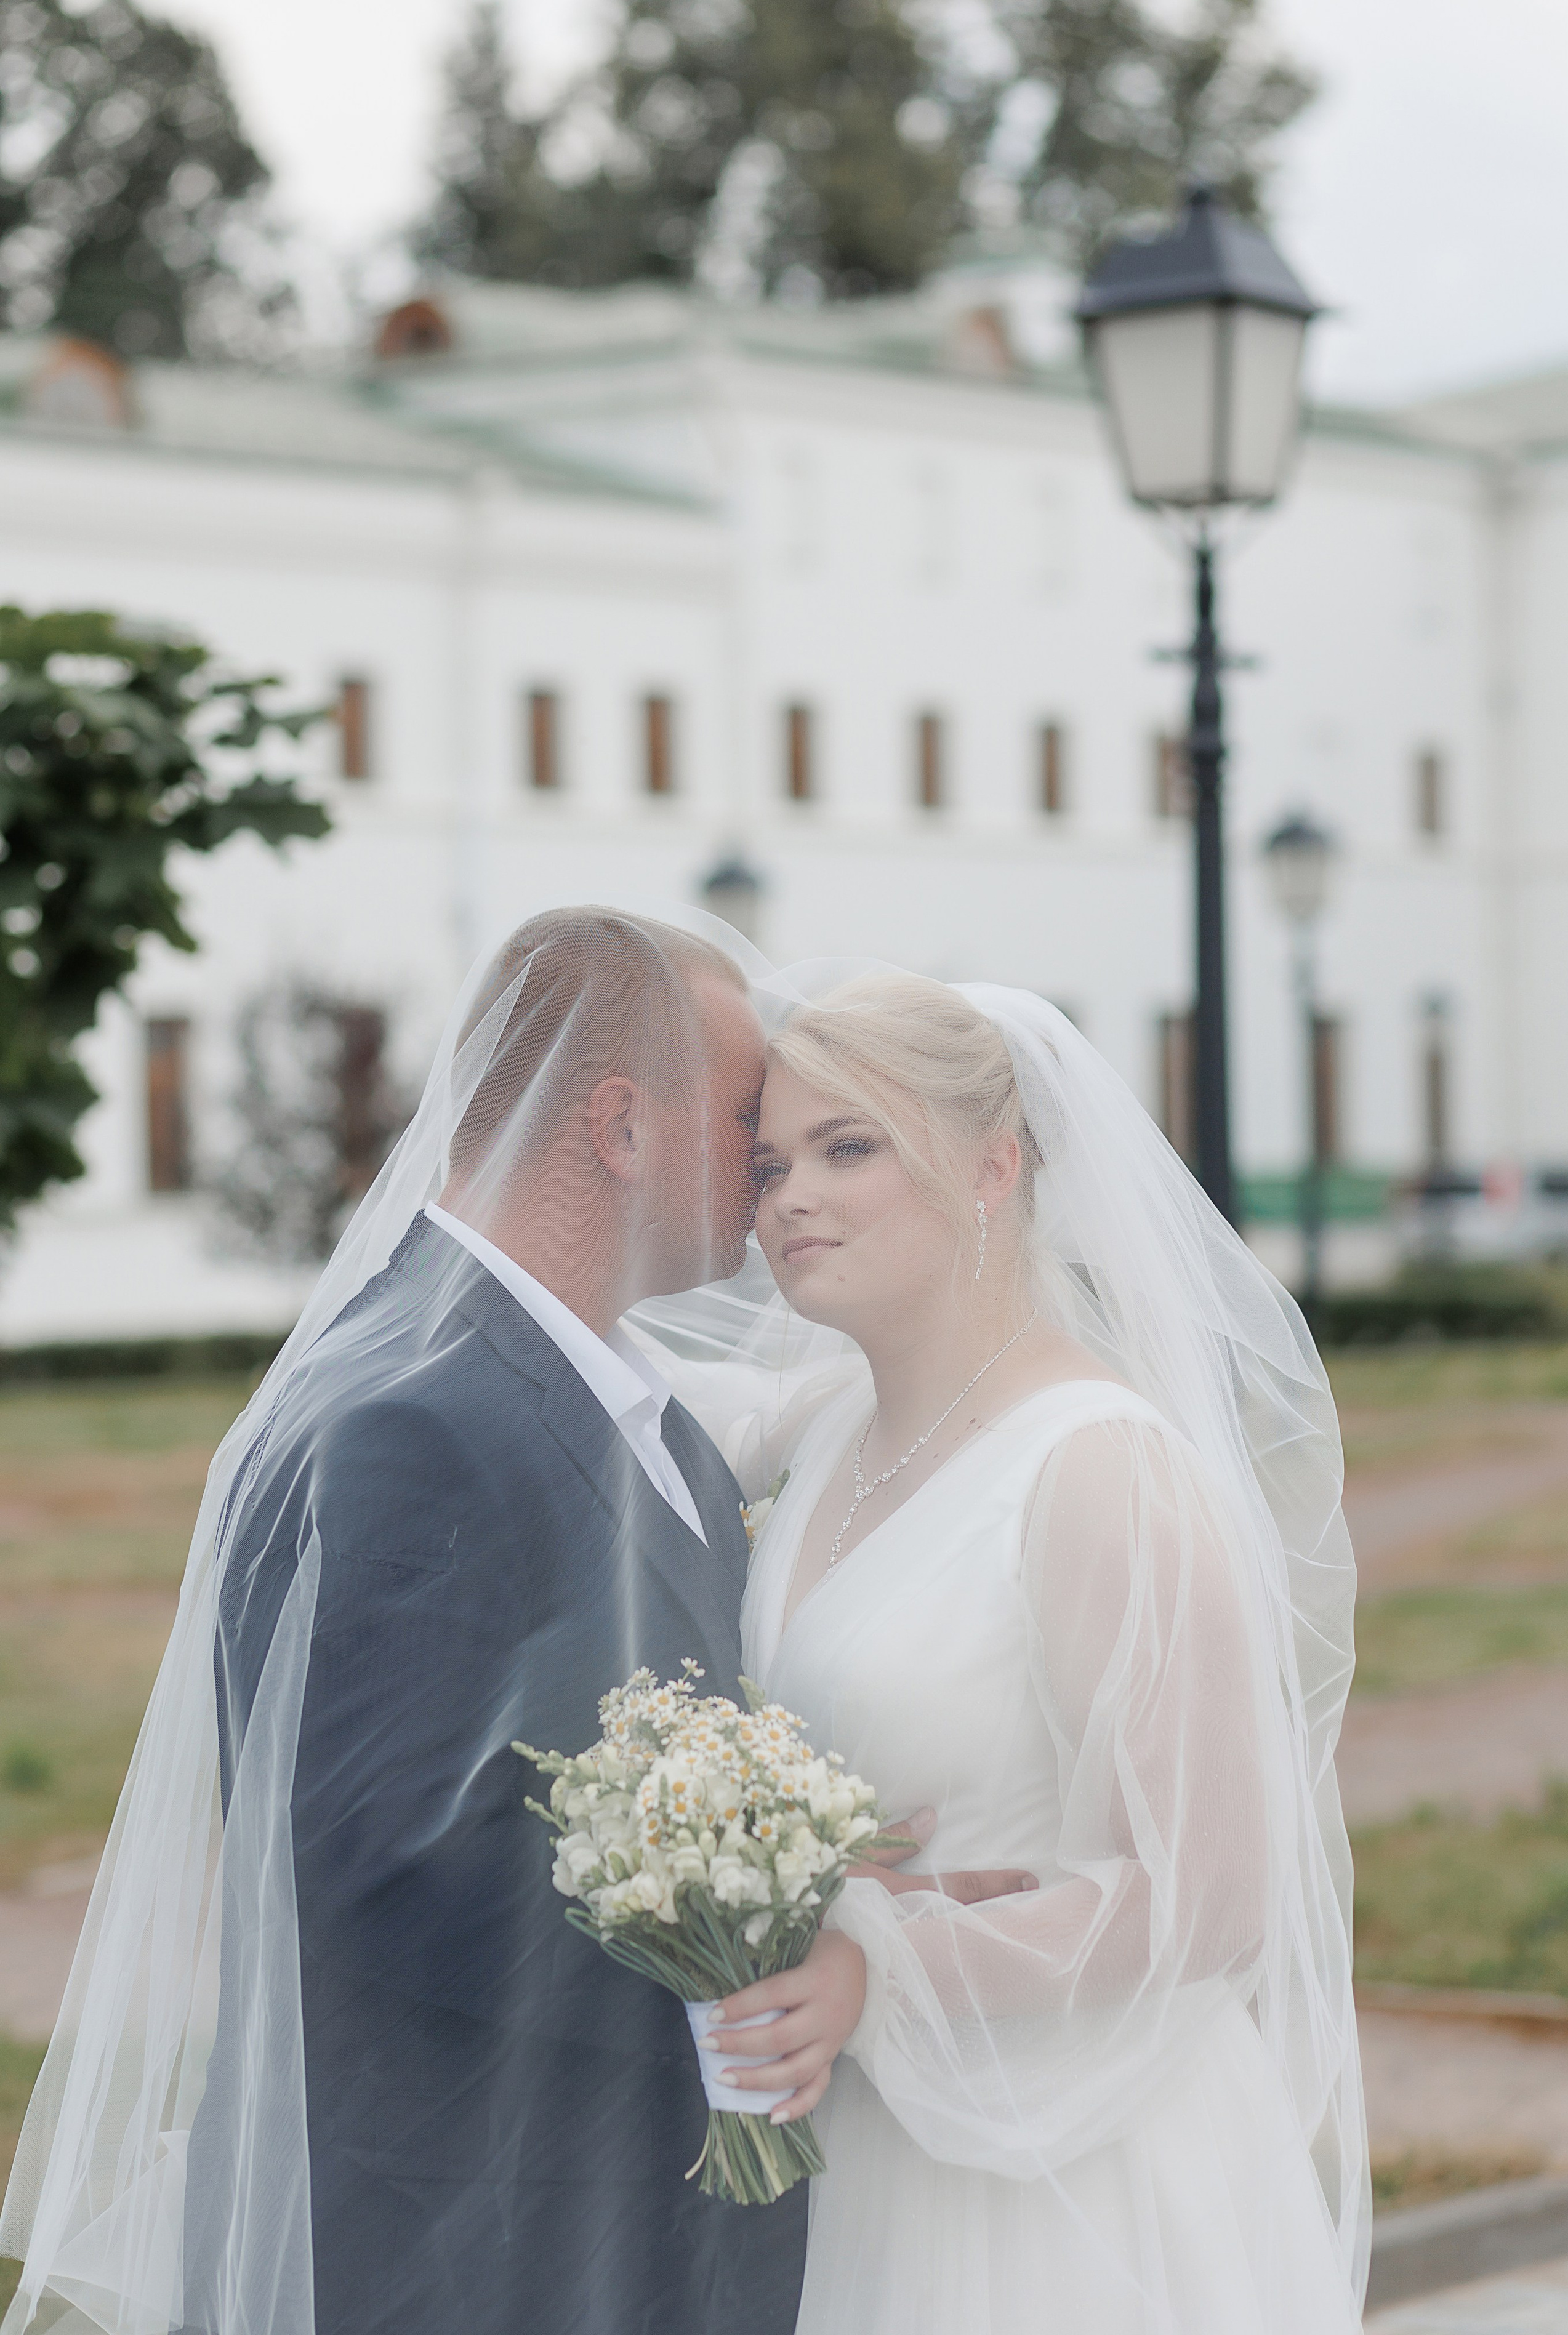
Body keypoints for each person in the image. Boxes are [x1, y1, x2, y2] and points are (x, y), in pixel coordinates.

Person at [0, 907, 1026, 2335]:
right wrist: (792, 1939)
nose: (769, 1160)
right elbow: (386, 1870)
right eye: (743, 1117)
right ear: (620, 1126)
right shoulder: (406, 1417)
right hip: (472, 2253)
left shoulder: (617, 1396)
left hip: (605, 2225)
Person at [688, 971, 1369, 2334]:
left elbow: (1210, 1893)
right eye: (769, 1164)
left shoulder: (1097, 1469)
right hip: (863, 2146)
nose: (788, 1201)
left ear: (993, 1164)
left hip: (1065, 2177)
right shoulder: (825, 1442)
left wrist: (881, 1962)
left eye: (848, 1148)